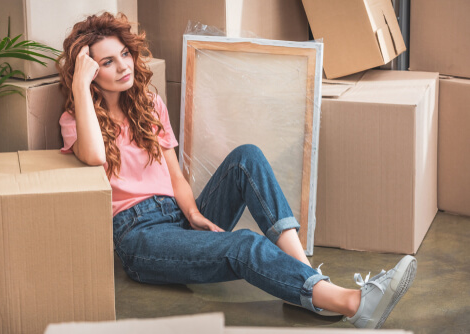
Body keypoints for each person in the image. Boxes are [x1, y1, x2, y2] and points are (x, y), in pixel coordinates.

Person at [56, 12, 417, 329]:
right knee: (244, 243)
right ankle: (354, 304)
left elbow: (174, 175)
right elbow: (93, 157)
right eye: (106, 63)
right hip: (139, 236)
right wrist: (79, 85)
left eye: (124, 54)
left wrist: (194, 213)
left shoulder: (149, 104)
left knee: (248, 156)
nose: (123, 66)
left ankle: (306, 277)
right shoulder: (76, 119)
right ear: (89, 72)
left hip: (176, 217)